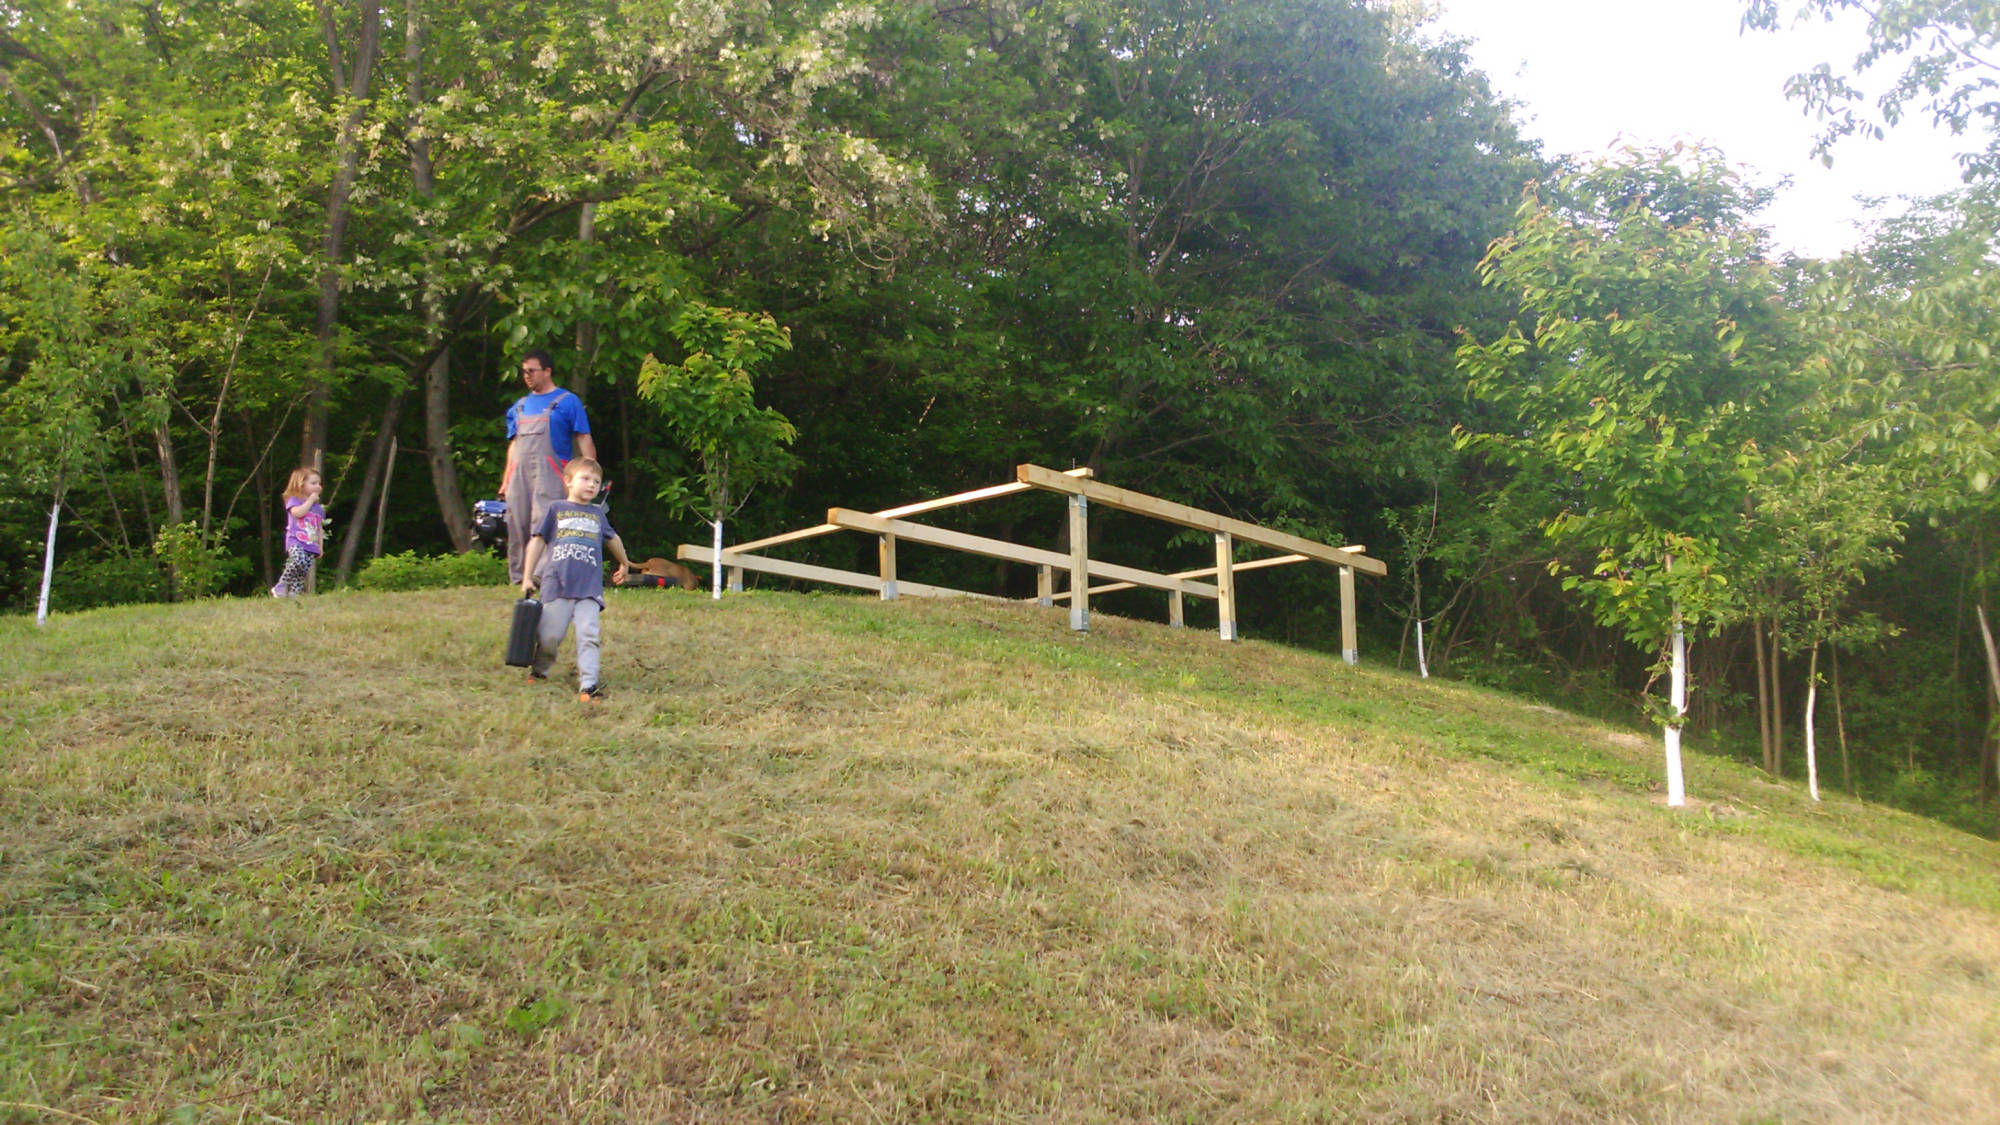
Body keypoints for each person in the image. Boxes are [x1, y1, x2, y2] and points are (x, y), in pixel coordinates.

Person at [520, 457, 631, 703]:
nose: (592, 485)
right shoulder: (556, 509)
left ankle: (588, 685)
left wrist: (624, 563)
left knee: (589, 635)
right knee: (549, 637)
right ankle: (540, 670)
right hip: (556, 585)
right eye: (585, 479)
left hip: (588, 589)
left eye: (596, 482)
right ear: (568, 481)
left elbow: (613, 539)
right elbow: (537, 542)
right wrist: (527, 577)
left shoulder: (597, 514)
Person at [500, 348, 596, 585]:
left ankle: (541, 576)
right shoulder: (520, 406)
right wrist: (505, 480)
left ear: (547, 371)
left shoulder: (568, 402)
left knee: (545, 523)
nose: (527, 376)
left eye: (532, 371)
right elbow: (514, 445)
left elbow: (584, 439)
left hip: (552, 473)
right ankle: (518, 578)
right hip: (519, 475)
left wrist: (591, 474)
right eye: (524, 372)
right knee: (517, 523)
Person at [272, 467, 327, 598]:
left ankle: (294, 595)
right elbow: (298, 513)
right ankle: (282, 584)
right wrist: (310, 501)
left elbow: (319, 528)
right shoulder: (294, 501)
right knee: (297, 560)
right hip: (296, 540)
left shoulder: (318, 509)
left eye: (319, 483)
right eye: (313, 483)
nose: (318, 486)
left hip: (311, 544)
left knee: (302, 571)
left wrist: (320, 546)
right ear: (301, 484)